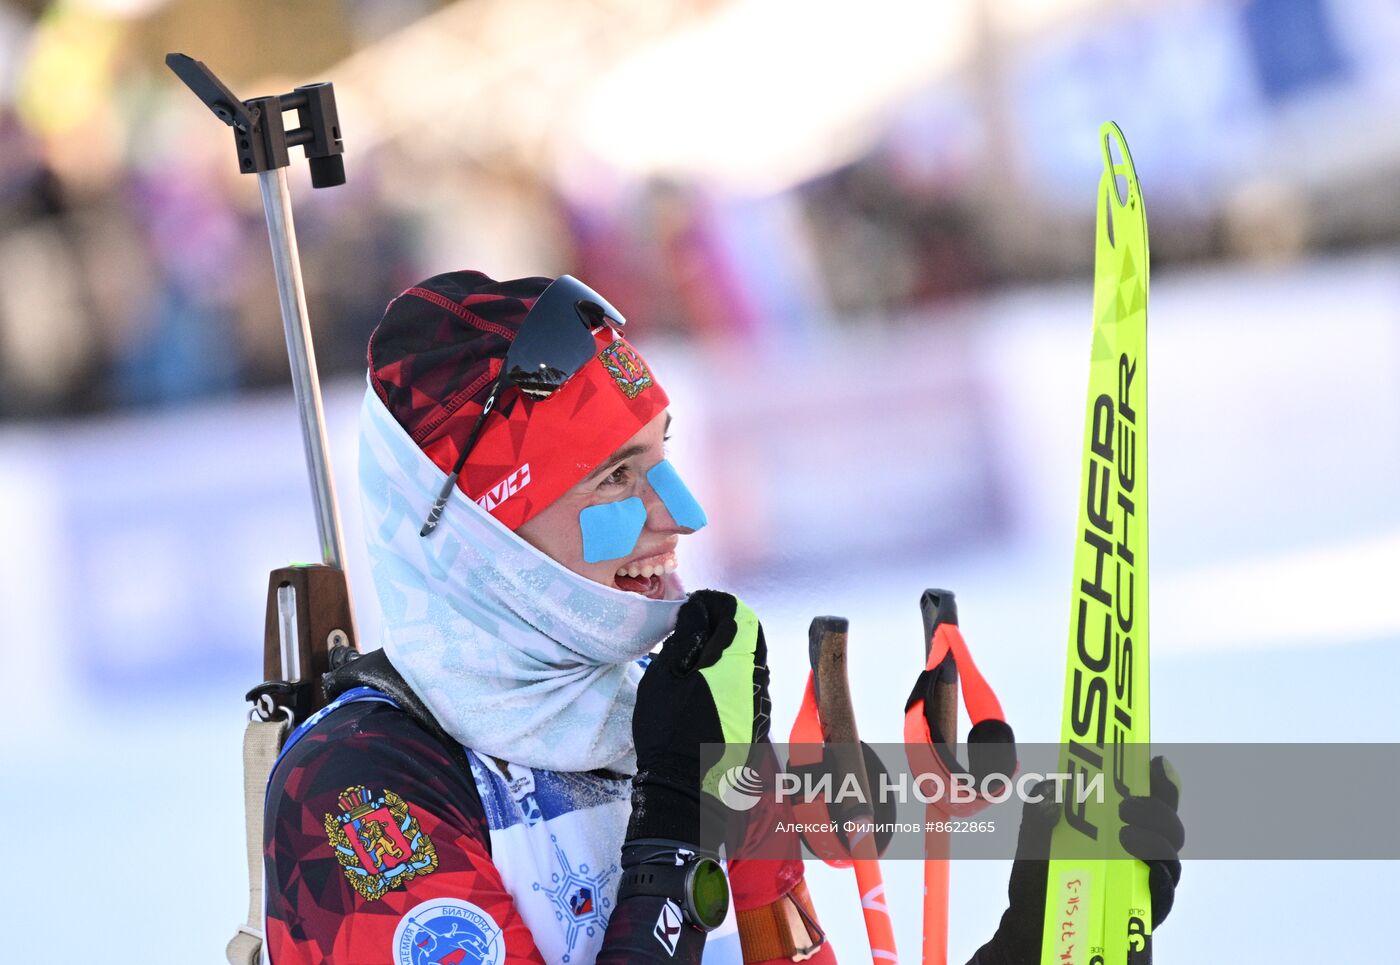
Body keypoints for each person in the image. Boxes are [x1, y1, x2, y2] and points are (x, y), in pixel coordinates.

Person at [261, 270, 1183, 965]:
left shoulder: (655, 718)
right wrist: (674, 827)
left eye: (661, 459)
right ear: (479, 530)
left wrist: (1034, 942)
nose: (679, 511)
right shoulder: (356, 793)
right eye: (615, 476)